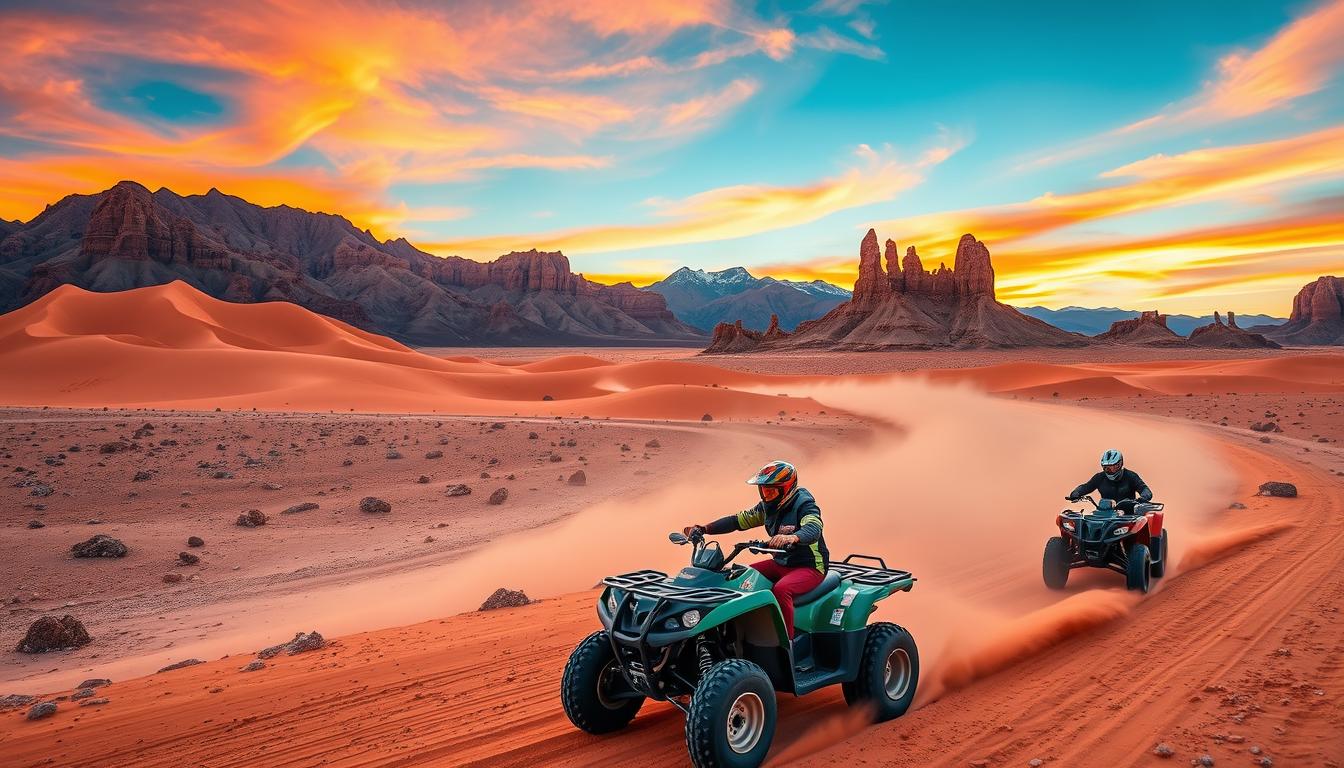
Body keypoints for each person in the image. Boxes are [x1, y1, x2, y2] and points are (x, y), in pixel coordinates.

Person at [683, 460, 828, 639]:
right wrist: (704, 529)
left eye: (771, 490)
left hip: (809, 567)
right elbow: (737, 521)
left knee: (782, 590)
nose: (766, 495)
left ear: (786, 488)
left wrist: (793, 537)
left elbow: (813, 528)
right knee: (741, 577)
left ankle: (786, 642)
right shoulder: (767, 508)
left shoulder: (804, 505)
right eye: (764, 490)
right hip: (781, 562)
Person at [1068, 449, 1152, 511]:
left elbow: (1145, 489)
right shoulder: (1100, 477)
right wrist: (1076, 493)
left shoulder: (1130, 476)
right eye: (1106, 468)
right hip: (1104, 514)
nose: (1109, 470)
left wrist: (1143, 497)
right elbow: (1086, 487)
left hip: (1128, 515)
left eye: (1113, 467)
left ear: (1120, 464)